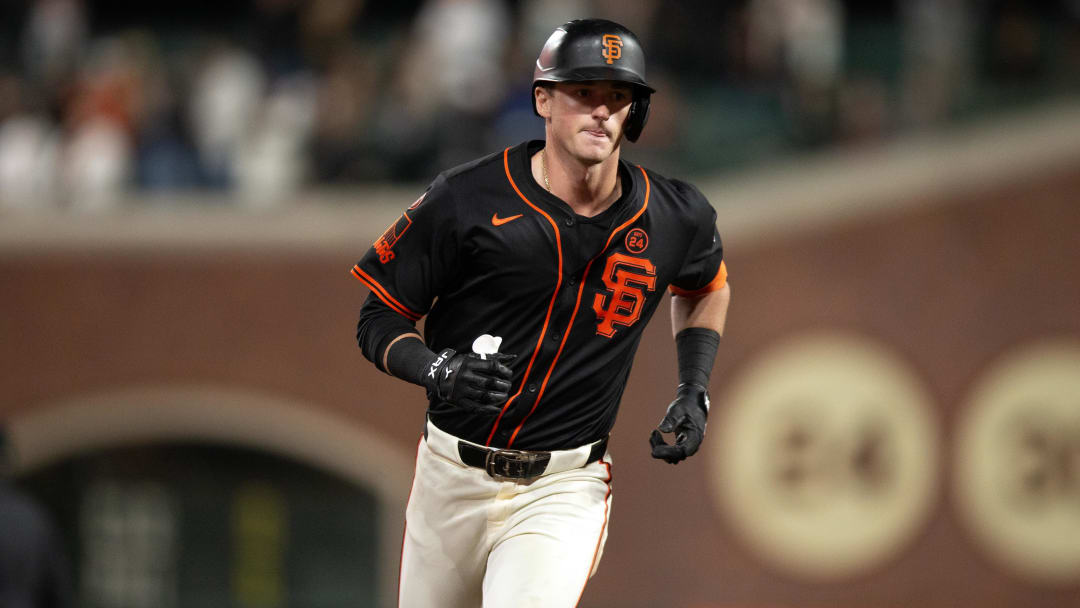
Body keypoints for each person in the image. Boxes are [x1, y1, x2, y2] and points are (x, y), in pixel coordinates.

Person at [351, 18, 730, 607]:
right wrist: (439, 371)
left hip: (563, 485)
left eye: (618, 96)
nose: (602, 111)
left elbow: (706, 286)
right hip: (448, 475)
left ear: (637, 112)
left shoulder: (676, 215)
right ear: (544, 100)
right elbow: (378, 318)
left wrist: (694, 387)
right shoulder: (467, 197)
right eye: (584, 92)